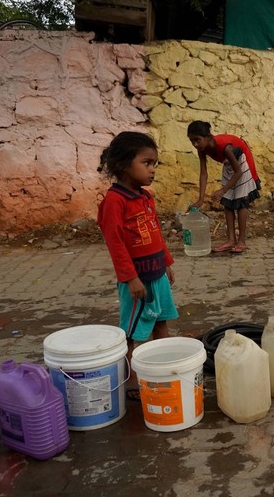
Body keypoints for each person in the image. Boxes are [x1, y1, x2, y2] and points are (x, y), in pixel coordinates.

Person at [97, 131, 178, 400]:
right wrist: (130, 278)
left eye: (155, 163)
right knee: (131, 333)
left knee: (162, 323)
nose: (153, 169)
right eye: (147, 163)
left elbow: (155, 231)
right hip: (137, 280)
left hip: (157, 274)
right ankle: (131, 381)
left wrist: (166, 261)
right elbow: (115, 243)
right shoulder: (114, 201)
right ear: (122, 165)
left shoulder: (145, 197)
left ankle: (165, 367)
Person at [187, 121, 261, 254]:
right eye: (192, 141)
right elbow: (204, 174)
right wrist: (201, 199)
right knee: (228, 202)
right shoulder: (202, 150)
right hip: (229, 164)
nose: (195, 144)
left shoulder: (225, 147)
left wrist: (222, 190)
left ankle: (241, 241)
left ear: (208, 137)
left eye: (197, 140)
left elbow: (239, 172)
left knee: (241, 202)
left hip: (242, 164)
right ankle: (231, 240)